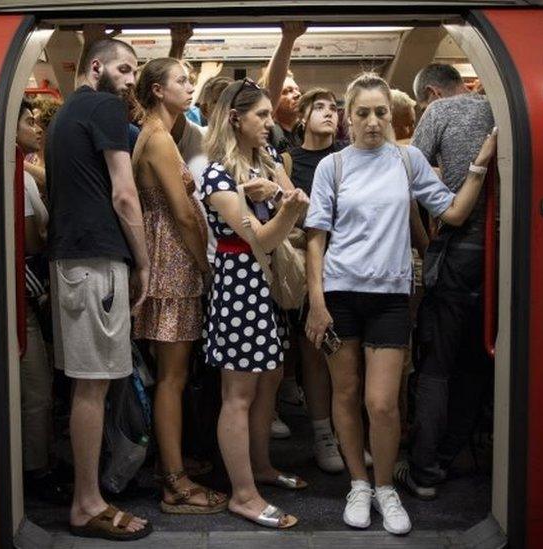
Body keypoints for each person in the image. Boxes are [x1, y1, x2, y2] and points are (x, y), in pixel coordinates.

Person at [303, 73, 496, 535]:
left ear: (392, 115)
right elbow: (315, 238)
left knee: (383, 403)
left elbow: (451, 212)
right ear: (350, 117)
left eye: (381, 112)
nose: (373, 122)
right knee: (345, 396)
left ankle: (385, 486)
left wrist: (479, 166)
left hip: (390, 297)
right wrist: (316, 302)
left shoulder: (407, 161)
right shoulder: (334, 166)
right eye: (363, 113)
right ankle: (358, 484)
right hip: (339, 295)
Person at [46, 38, 152, 541]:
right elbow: (125, 193)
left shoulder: (65, 116)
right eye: (126, 70)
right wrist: (145, 262)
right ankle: (87, 504)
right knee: (93, 386)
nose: (131, 81)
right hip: (96, 264)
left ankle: (88, 496)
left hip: (71, 262)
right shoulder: (104, 106)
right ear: (96, 67)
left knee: (87, 384)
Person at [201, 78, 311, 529]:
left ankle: (261, 467)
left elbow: (298, 201)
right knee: (239, 394)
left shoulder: (260, 162)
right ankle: (243, 495)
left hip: (260, 283)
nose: (270, 123)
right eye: (261, 115)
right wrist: (285, 207)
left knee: (268, 381)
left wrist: (280, 193)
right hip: (239, 282)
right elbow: (262, 236)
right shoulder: (217, 174)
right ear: (235, 119)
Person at [395, 63, 497, 502]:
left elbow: (407, 170)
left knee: (437, 364)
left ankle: (423, 470)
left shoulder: (440, 112)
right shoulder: (502, 107)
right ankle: (454, 452)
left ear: (431, 94)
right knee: (476, 361)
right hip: (505, 252)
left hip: (458, 248)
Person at [131, 57, 227, 515]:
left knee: (171, 375)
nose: (190, 88)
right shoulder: (159, 139)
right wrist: (204, 266)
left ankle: (169, 462)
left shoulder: (155, 135)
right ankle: (174, 482)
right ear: (156, 90)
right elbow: (185, 215)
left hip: (164, 260)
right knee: (173, 378)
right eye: (182, 81)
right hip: (173, 263)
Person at [281, 88, 347, 473]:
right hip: (308, 265)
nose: (328, 113)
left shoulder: (346, 160)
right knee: (314, 354)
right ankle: (323, 435)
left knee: (346, 357)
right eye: (319, 107)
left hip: (347, 263)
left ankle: (344, 432)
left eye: (333, 108)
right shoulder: (290, 161)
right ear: (302, 117)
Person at [16, 99, 67, 503]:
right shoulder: (20, 179)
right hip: (23, 301)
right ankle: (36, 469)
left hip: (22, 298)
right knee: (36, 388)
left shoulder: (23, 172)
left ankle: (41, 456)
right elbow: (32, 240)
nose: (35, 128)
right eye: (28, 121)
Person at [260, 21, 307, 153]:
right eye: (287, 91)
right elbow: (273, 85)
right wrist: (288, 39)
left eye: (297, 90)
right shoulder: (267, 131)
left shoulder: (306, 131)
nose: (297, 95)